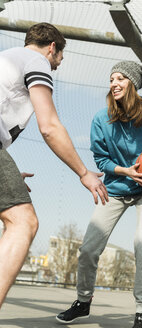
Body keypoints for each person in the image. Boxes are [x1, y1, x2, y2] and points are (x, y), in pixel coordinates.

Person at [56, 61, 142, 328]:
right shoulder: (102, 119)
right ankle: (83, 302)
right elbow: (100, 159)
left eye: (121, 78)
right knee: (89, 248)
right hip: (116, 187)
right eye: (112, 78)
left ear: (132, 84)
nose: (114, 83)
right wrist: (124, 170)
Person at [0, 22, 108, 309]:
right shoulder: (37, 61)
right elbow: (49, 126)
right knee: (22, 222)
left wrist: (9, 173)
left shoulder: (8, 58)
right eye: (60, 57)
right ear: (52, 48)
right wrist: (84, 173)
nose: (58, 64)